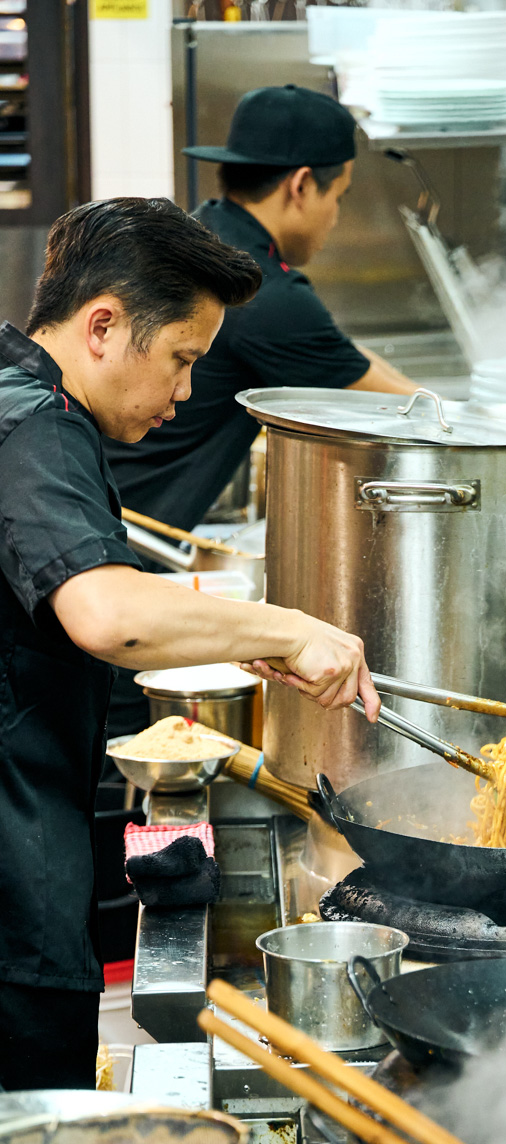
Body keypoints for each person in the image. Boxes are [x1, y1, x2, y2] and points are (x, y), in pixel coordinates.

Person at [0, 196, 381, 1094]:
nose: (186, 392)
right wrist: (292, 629)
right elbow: (108, 614)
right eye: (181, 359)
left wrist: (234, 630)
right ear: (103, 326)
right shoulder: (40, 428)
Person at [108, 85, 417, 531]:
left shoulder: (209, 235)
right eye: (339, 197)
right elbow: (406, 411)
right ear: (302, 185)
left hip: (108, 509)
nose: (335, 216)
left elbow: (344, 357)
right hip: (119, 535)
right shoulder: (258, 290)